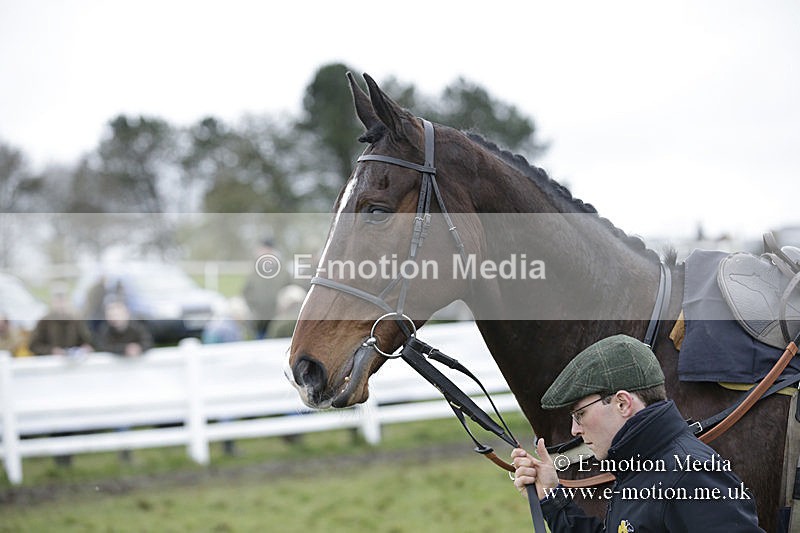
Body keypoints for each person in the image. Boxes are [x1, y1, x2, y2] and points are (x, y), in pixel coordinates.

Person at [511, 334, 763, 532]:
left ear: (622, 403)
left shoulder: (690, 474)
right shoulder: (640, 468)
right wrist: (552, 497)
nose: (575, 430)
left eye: (580, 414)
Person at [242, 238, 290, 339]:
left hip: (277, 321)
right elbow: (246, 292)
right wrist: (253, 309)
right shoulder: (254, 272)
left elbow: (290, 291)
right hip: (258, 323)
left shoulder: (283, 272)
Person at [29, 285, 94, 357]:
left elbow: (87, 341)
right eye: (58, 301)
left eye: (63, 301)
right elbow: (34, 346)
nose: (61, 305)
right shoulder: (44, 321)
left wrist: (85, 348)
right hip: (51, 362)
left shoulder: (76, 320)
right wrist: (51, 351)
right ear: (52, 302)